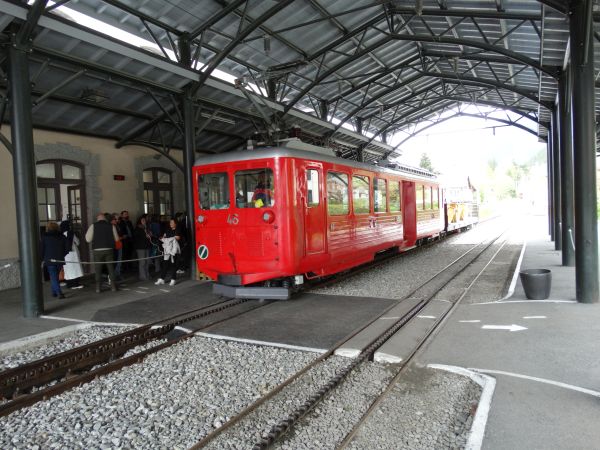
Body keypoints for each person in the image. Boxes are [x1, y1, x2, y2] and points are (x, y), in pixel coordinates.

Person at [86, 213, 119, 293]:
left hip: (97, 250)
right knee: (110, 268)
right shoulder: (111, 225)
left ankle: (98, 288)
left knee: (98, 269)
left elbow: (88, 239)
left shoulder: (93, 226)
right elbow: (117, 239)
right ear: (104, 218)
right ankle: (113, 286)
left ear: (97, 218)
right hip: (109, 249)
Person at [42, 222, 69, 299]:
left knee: (53, 276)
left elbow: (42, 249)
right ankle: (54, 292)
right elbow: (67, 248)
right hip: (59, 259)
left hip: (49, 259)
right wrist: (62, 255)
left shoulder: (45, 237)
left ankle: (58, 293)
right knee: (55, 276)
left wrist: (42, 259)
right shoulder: (62, 236)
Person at [155, 218, 181, 286]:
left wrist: (168, 239)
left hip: (174, 250)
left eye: (172, 222)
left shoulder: (178, 229)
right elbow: (164, 237)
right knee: (165, 264)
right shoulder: (168, 230)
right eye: (170, 222)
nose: (171, 224)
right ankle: (162, 279)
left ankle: (173, 279)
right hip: (167, 249)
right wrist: (162, 238)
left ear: (175, 223)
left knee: (173, 265)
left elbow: (178, 238)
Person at [60, 220, 84, 289]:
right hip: (74, 253)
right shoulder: (71, 233)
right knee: (76, 269)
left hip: (65, 254)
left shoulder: (60, 234)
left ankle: (70, 284)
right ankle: (76, 284)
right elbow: (78, 242)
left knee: (68, 269)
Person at [134, 215, 152, 281]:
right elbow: (137, 238)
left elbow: (149, 236)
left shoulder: (147, 228)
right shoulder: (137, 228)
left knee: (147, 262)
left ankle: (147, 274)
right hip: (140, 247)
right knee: (142, 262)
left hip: (147, 246)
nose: (144, 222)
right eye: (143, 221)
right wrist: (145, 235)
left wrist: (150, 234)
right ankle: (142, 276)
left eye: (145, 220)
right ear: (139, 221)